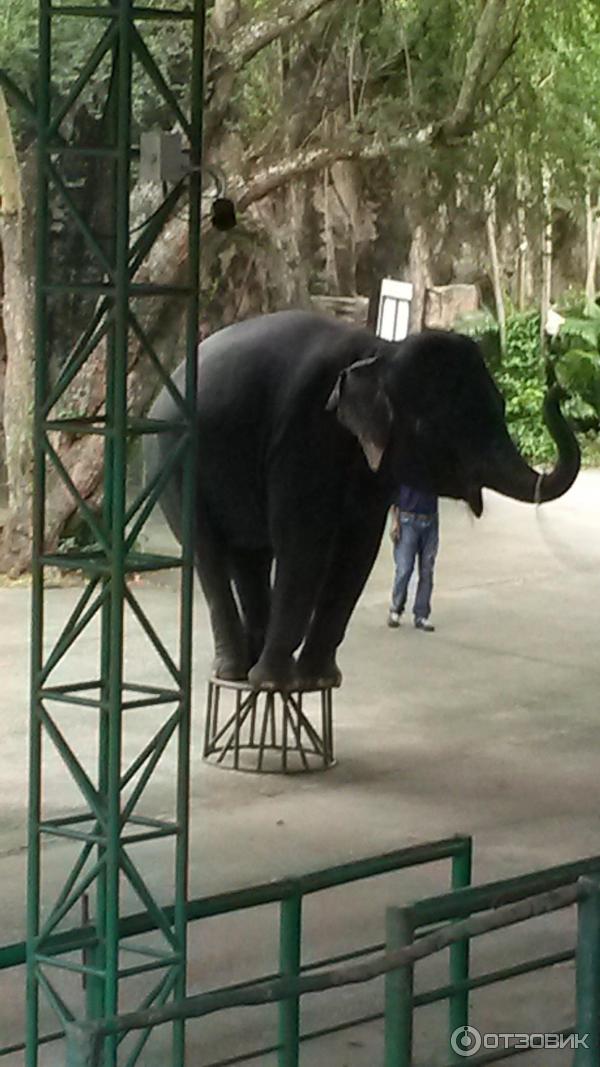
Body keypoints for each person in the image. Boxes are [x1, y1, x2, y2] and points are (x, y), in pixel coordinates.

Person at [388, 485, 439, 632]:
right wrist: (395, 521)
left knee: (427, 570)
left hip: (431, 519)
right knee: (404, 568)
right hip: (407, 519)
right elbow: (394, 494)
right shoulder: (407, 466)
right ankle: (396, 608)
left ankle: (421, 615)